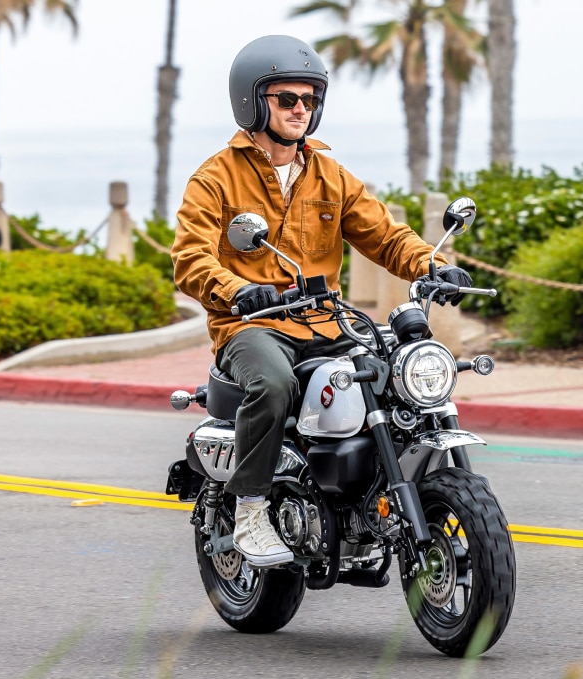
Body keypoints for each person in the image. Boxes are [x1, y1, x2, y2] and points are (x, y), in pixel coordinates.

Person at [170, 35, 473, 568]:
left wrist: (432, 265)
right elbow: (191, 258)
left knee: (403, 369)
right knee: (273, 383)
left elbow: (385, 236)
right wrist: (239, 290)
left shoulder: (329, 175)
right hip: (253, 326)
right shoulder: (215, 177)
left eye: (309, 100)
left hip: (327, 321)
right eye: (286, 99)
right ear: (253, 101)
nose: (300, 109)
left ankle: (378, 497)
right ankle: (252, 506)